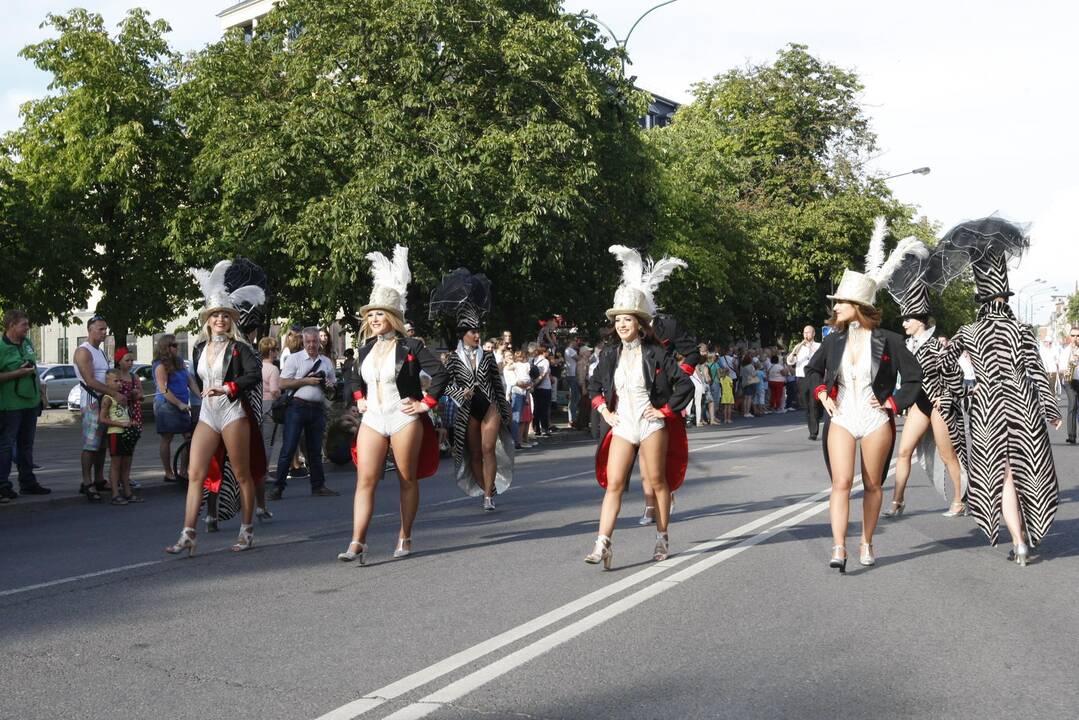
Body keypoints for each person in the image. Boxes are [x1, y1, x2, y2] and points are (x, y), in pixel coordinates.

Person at [930, 218, 1062, 565]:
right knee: (1027, 471)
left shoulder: (969, 331)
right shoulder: (1021, 330)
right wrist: (1051, 409)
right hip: (1022, 403)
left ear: (980, 298)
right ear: (1005, 296)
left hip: (987, 406)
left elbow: (942, 364)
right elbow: (1036, 372)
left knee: (1001, 475)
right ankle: (1028, 534)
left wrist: (952, 395)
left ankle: (1018, 542)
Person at [805, 219, 923, 572]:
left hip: (875, 419)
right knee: (840, 483)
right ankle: (839, 547)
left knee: (872, 485)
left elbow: (915, 379)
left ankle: (866, 541)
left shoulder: (890, 340)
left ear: (857, 304)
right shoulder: (833, 340)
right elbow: (812, 371)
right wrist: (823, 392)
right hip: (841, 416)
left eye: (840, 302)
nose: (835, 308)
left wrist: (893, 403)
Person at [337, 246, 449, 563]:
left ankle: (405, 535)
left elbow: (440, 371)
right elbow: (353, 380)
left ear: (393, 317)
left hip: (403, 416)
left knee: (406, 478)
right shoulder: (363, 350)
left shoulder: (411, 346)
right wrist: (358, 400)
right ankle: (357, 541)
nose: (374, 319)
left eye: (380, 314)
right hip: (372, 417)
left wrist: (426, 404)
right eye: (370, 314)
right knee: (365, 480)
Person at [585, 245, 693, 569]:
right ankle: (602, 543)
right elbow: (593, 387)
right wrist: (604, 410)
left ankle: (662, 535)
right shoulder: (609, 355)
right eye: (618, 320)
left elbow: (685, 384)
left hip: (650, 424)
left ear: (639, 322)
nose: (621, 324)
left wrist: (664, 411)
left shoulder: (656, 353)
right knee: (614, 483)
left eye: (627, 319)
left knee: (657, 481)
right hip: (623, 424)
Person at [165, 261, 266, 556]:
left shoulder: (241, 347)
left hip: (233, 412)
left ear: (231, 319)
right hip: (208, 414)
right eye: (215, 316)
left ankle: (247, 531)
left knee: (242, 473)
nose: (220, 320)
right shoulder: (198, 348)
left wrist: (229, 387)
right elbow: (197, 378)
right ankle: (188, 534)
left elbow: (254, 375)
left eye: (224, 315)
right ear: (207, 320)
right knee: (195, 473)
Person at [884, 241, 967, 519]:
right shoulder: (906, 346)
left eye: (908, 319)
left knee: (947, 456)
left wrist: (948, 397)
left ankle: (958, 500)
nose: (904, 323)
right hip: (919, 404)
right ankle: (897, 501)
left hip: (939, 405)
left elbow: (955, 375)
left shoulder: (936, 346)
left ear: (920, 320)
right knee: (904, 451)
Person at [430, 268, 514, 510]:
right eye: (473, 331)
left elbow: (498, 385)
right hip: (467, 409)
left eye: (478, 331)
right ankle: (486, 486)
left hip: (490, 406)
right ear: (463, 334)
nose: (477, 335)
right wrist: (460, 393)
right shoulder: (452, 360)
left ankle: (488, 496)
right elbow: (446, 386)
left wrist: (504, 407)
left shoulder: (487, 357)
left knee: (489, 448)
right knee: (475, 453)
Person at [271, 327, 338, 499]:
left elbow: (333, 388)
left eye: (315, 341)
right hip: (297, 407)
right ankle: (278, 487)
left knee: (315, 450)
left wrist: (330, 385)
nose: (311, 345)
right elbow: (282, 383)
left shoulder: (326, 362)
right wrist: (305, 381)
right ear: (303, 341)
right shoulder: (294, 359)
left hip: (317, 408)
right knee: (289, 447)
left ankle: (318, 486)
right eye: (308, 342)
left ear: (319, 342)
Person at [0, 309, 50, 503]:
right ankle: (3, 485)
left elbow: (34, 370)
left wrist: (40, 395)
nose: (28, 328)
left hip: (30, 402)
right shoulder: (2, 347)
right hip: (10, 405)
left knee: (26, 445)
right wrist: (17, 374)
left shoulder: (27, 343)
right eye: (24, 325)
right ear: (11, 325)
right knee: (5, 445)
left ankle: (28, 482)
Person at [73, 314, 116, 502]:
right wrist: (114, 393)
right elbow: (90, 381)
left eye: (105, 329)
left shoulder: (100, 351)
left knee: (101, 445)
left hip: (103, 401)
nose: (104, 332)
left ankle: (99, 479)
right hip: (92, 402)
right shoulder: (84, 351)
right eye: (100, 329)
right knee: (91, 444)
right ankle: (87, 482)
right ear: (89, 330)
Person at [153, 334, 200, 483]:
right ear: (165, 347)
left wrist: (200, 396)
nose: (177, 347)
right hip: (166, 405)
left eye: (177, 345)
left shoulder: (179, 362)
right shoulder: (160, 365)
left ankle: (183, 470)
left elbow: (189, 380)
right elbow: (163, 388)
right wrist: (179, 404)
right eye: (174, 345)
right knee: (167, 437)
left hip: (183, 405)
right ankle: (168, 472)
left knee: (189, 437)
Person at [99, 368, 142, 504]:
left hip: (126, 433)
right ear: (107, 383)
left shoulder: (122, 397)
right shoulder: (107, 399)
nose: (119, 384)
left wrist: (130, 422)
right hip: (115, 434)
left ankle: (128, 492)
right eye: (115, 381)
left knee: (127, 464)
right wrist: (120, 424)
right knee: (116, 464)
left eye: (120, 381)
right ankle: (115, 494)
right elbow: (102, 419)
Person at [787, 326, 823, 440]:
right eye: (804, 333)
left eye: (808, 332)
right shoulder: (799, 347)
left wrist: (811, 348)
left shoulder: (818, 346)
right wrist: (794, 352)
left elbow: (821, 359)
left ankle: (813, 432)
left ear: (813, 334)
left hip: (814, 376)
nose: (806, 335)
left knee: (814, 403)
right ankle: (814, 421)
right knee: (806, 404)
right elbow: (790, 361)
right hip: (802, 377)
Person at [530, 345, 552, 437]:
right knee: (544, 409)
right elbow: (543, 375)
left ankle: (536, 429)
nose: (549, 353)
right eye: (548, 351)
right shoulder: (545, 361)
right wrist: (536, 383)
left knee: (536, 408)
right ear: (544, 352)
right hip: (545, 387)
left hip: (535, 388)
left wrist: (533, 385)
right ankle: (545, 429)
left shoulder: (533, 360)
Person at [1062, 327, 1079, 445]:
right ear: (1069, 337)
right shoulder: (1065, 351)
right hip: (1070, 381)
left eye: (1077, 336)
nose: (1075, 338)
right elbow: (1066, 373)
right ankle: (1071, 435)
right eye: (1073, 336)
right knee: (1072, 405)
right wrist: (1072, 359)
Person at [563, 335, 581, 427]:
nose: (576, 343)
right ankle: (572, 420)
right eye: (575, 341)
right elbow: (579, 359)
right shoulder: (570, 350)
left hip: (571, 374)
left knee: (575, 397)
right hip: (573, 375)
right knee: (575, 397)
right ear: (572, 342)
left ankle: (573, 419)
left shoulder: (568, 350)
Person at [739, 354, 758, 418]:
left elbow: (741, 375)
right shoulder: (751, 366)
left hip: (744, 383)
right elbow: (753, 374)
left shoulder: (742, 367)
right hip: (750, 382)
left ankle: (745, 412)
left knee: (745, 398)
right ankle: (747, 412)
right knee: (749, 398)